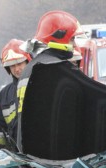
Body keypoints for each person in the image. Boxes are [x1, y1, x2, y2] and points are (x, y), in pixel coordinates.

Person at [16, 10, 81, 152]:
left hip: (31, 153)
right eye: (72, 39)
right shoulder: (57, 68)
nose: (75, 45)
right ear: (60, 38)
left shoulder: (31, 68)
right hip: (52, 158)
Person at [0, 39, 31, 152]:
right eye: (12, 65)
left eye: (19, 63)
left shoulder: (41, 86)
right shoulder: (2, 98)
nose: (17, 69)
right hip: (16, 158)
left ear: (28, 61)